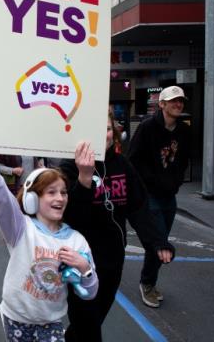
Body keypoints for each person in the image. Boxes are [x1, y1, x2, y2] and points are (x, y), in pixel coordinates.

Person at [59, 112, 175, 341]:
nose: (104, 135)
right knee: (88, 323)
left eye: (108, 129)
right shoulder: (68, 167)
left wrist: (157, 241)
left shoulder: (122, 165)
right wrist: (83, 179)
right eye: (96, 129)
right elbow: (70, 216)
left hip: (112, 259)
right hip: (79, 259)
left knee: (94, 318)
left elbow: (140, 206)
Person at [0, 137, 99, 342]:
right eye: (51, 192)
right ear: (32, 199)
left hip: (52, 322)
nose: (60, 198)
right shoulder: (21, 228)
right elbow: (2, 201)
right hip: (15, 318)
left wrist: (85, 268)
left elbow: (90, 293)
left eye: (64, 193)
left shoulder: (77, 241)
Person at [128, 85, 190, 309]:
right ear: (162, 104)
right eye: (173, 100)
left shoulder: (184, 131)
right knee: (158, 242)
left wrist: (175, 182)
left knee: (158, 242)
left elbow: (183, 161)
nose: (178, 104)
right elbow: (133, 160)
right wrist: (148, 184)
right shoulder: (147, 128)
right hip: (149, 196)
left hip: (169, 196)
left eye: (181, 101)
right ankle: (147, 284)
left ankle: (148, 280)